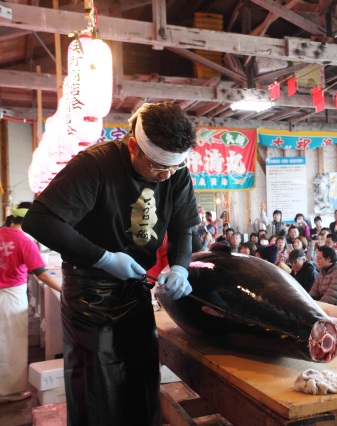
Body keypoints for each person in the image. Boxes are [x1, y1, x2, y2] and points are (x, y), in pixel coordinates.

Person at [22, 103, 199, 425]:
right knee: (98, 383)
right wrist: (102, 258)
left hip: (135, 288)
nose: (166, 176)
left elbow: (182, 228)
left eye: (174, 168)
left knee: (141, 377)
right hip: (90, 289)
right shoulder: (96, 164)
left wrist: (181, 267)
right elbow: (39, 220)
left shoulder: (176, 171)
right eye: (159, 167)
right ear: (134, 146)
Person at [0, 202, 61, 405]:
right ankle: (9, 391)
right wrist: (64, 290)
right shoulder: (24, 241)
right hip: (11, 297)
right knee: (11, 345)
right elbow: (42, 274)